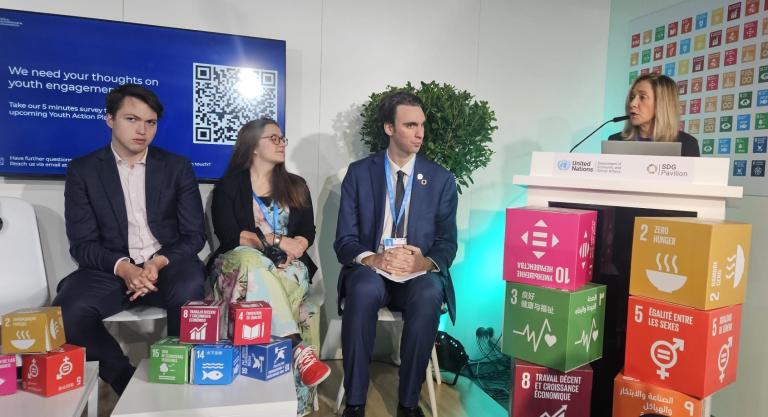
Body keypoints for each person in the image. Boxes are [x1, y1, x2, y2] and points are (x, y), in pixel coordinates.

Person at [53, 84, 206, 395]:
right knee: (68, 312)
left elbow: (194, 236)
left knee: (191, 288)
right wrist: (125, 268)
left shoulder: (177, 167)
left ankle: (177, 377)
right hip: (111, 268)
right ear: (109, 119)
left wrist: (157, 262)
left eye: (150, 122)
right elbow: (82, 244)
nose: (143, 130)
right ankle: (124, 379)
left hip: (166, 264)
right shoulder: (83, 170)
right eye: (132, 119)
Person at [334, 91, 458, 417]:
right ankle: (356, 401)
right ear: (389, 128)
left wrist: (424, 262)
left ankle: (408, 403)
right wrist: (373, 259)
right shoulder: (360, 174)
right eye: (410, 125)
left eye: (422, 125)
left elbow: (447, 242)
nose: (420, 133)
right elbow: (344, 240)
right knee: (361, 289)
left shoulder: (442, 179)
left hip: (415, 276)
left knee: (431, 292)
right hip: (372, 272)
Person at [208, 118, 330, 413]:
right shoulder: (229, 186)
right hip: (237, 265)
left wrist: (297, 245)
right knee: (253, 262)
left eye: (282, 138)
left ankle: (263, 400)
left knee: (273, 275)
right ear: (252, 146)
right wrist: (275, 241)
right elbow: (229, 235)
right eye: (273, 139)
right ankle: (297, 350)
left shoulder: (296, 186)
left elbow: (306, 232)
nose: (281, 144)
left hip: (288, 266)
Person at [608, 73, 700, 157]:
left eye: (642, 97)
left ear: (662, 103)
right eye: (632, 97)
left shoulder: (687, 144)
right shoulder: (615, 140)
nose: (632, 104)